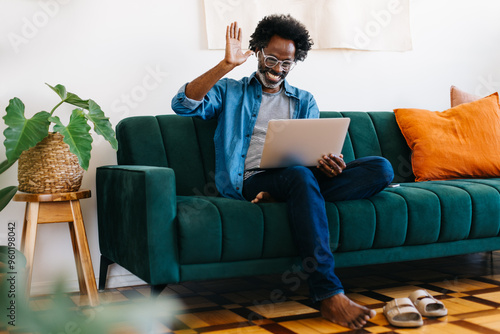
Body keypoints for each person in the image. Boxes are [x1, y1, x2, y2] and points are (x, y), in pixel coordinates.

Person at [171, 14, 394, 329]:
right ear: (259, 52)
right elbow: (183, 104)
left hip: (298, 177)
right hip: (251, 181)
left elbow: (310, 152)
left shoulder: (305, 100)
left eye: (286, 64)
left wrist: (327, 163)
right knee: (300, 178)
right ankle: (328, 292)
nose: (277, 69)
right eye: (271, 59)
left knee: (380, 169)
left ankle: (285, 197)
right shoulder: (230, 91)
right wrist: (226, 65)